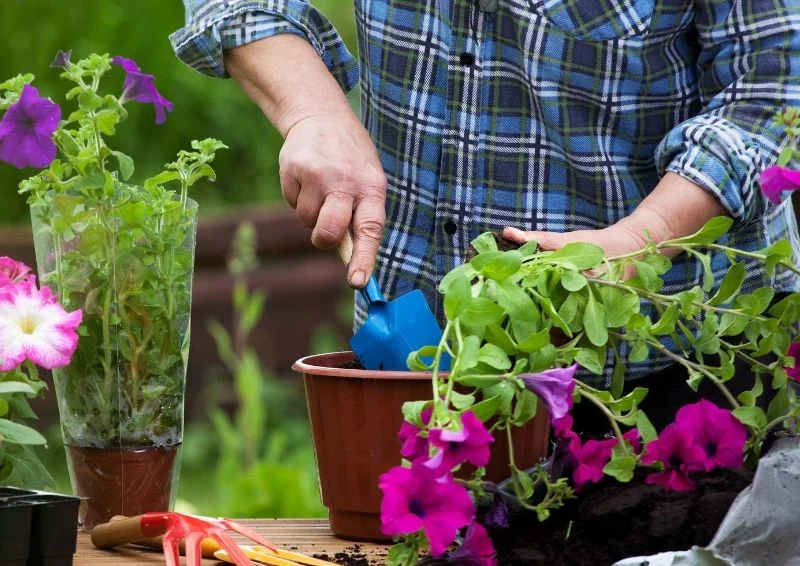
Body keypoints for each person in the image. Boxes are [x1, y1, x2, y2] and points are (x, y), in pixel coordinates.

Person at [171, 0, 800, 424]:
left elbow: (773, 87)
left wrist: (645, 236)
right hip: (418, 366)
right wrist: (313, 112)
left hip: (678, 366)